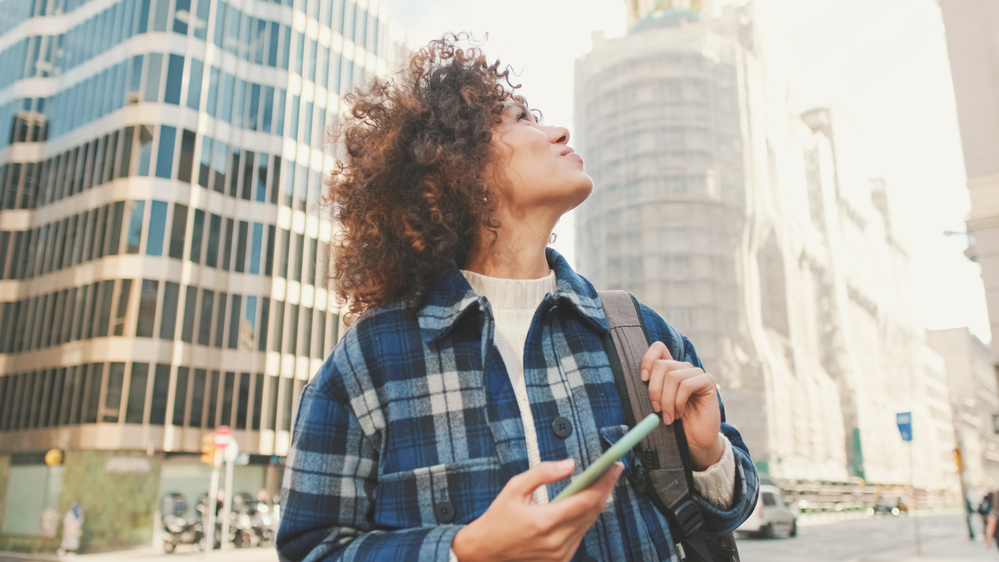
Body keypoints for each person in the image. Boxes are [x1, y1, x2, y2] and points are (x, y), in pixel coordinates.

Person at [276, 34, 759, 562]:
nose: (559, 130)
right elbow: (312, 548)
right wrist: (466, 551)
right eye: (523, 118)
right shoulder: (370, 359)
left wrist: (708, 452)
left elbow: (729, 509)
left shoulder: (637, 332)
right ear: (458, 164)